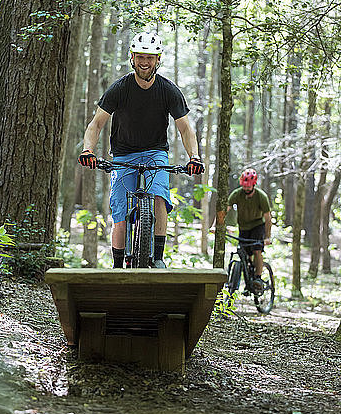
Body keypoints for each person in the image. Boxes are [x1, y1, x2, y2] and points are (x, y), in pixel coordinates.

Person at [78, 30, 204, 268]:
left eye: (150, 57)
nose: (145, 62)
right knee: (120, 208)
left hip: (155, 152)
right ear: (132, 58)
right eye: (140, 56)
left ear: (158, 59)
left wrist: (194, 156)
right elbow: (96, 124)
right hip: (123, 154)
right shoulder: (120, 88)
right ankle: (117, 265)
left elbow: (186, 129)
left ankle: (157, 258)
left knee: (159, 196)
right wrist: (88, 150)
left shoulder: (168, 90)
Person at [227, 168, 272, 288]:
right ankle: (247, 279)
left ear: (253, 185)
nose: (246, 189)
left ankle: (258, 278)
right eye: (244, 186)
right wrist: (215, 226)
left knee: (257, 249)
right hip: (243, 226)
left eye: (248, 186)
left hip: (257, 226)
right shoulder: (237, 194)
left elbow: (268, 218)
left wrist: (267, 237)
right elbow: (225, 209)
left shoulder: (261, 196)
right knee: (244, 253)